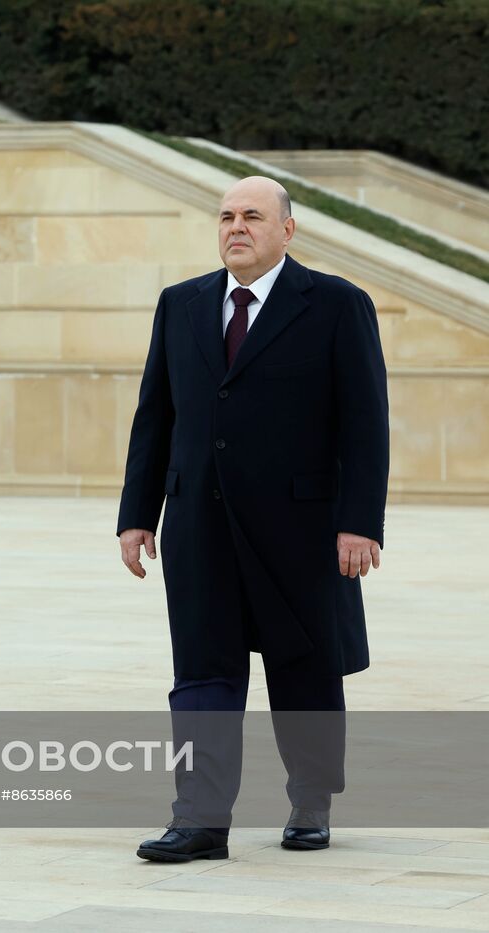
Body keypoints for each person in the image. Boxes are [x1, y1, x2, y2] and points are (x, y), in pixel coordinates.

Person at [116, 176, 389, 862]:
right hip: (198, 527)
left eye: (253, 216)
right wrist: (136, 513)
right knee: (203, 670)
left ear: (287, 230)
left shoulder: (335, 305)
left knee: (305, 667)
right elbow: (156, 415)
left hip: (302, 528)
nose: (236, 226)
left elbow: (365, 423)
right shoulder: (181, 304)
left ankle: (311, 801)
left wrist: (359, 522)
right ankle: (200, 819)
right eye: (227, 216)